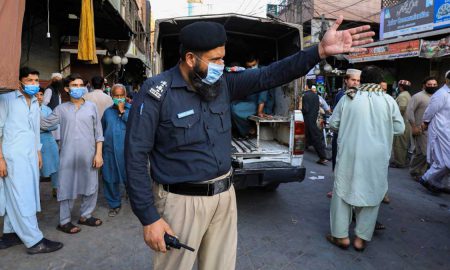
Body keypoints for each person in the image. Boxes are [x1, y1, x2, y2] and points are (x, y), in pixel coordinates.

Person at [125, 18, 374, 269]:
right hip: (180, 204)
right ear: (191, 59)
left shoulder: (223, 85)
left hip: (224, 198)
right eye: (215, 60)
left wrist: (318, 51)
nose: (221, 66)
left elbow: (270, 74)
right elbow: (135, 157)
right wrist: (149, 218)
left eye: (223, 58)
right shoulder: (158, 92)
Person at [327, 66, 404, 251]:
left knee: (342, 192)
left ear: (362, 80)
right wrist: (382, 130)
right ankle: (361, 239)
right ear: (379, 82)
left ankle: (341, 237)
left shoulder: (349, 98)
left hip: (350, 155)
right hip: (376, 158)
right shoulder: (388, 101)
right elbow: (400, 128)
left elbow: (333, 124)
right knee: (372, 193)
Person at [0, 67, 63, 254]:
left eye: (36, 81)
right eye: (29, 80)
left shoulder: (35, 101)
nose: (34, 84)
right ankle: (34, 241)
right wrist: (0, 159)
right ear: (19, 82)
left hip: (30, 156)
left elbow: (35, 130)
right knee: (23, 197)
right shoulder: (6, 100)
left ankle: (11, 234)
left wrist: (38, 152)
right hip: (12, 157)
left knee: (20, 195)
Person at [40, 73, 104, 234]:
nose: (78, 88)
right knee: (66, 187)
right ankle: (64, 221)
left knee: (91, 185)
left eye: (81, 85)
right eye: (74, 86)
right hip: (67, 156)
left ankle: (85, 215)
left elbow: (99, 133)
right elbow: (45, 124)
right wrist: (32, 109)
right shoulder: (61, 109)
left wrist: (99, 154)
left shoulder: (91, 107)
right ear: (67, 89)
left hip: (89, 155)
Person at [101, 84, 130, 217]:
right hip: (109, 151)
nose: (119, 98)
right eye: (116, 96)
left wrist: (122, 111)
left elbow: (136, 127)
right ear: (111, 96)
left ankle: (133, 197)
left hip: (127, 152)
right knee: (109, 178)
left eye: (121, 96)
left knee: (131, 177)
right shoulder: (107, 112)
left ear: (125, 96)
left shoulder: (132, 110)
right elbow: (101, 130)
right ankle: (114, 204)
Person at [419, 71, 450, 193]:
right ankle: (427, 178)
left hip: (447, 131)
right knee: (442, 162)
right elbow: (430, 111)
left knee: (445, 161)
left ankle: (435, 182)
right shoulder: (441, 94)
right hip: (439, 131)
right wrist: (425, 122)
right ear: (447, 80)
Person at [230, 54, 275, 137]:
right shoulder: (246, 72)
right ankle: (240, 130)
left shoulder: (263, 71)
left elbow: (263, 93)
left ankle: (248, 131)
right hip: (251, 102)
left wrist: (260, 111)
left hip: (262, 106)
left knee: (235, 109)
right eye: (249, 67)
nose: (251, 68)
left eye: (253, 65)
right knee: (230, 105)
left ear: (257, 61)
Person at [406, 76, 438, 180]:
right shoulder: (417, 96)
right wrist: (414, 126)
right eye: (430, 84)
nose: (432, 86)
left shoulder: (437, 96)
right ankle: (415, 171)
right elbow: (409, 111)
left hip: (435, 130)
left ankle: (423, 171)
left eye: (434, 85)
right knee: (423, 152)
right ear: (424, 85)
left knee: (430, 152)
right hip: (420, 129)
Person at [331, 69, 361, 170]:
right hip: (340, 134)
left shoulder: (362, 96)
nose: (356, 83)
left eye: (358, 80)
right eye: (353, 80)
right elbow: (335, 119)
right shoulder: (341, 95)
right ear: (346, 80)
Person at [36, 89, 59, 198]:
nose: (39, 97)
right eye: (37, 95)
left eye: (41, 94)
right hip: (34, 141)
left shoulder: (47, 109)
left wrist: (39, 127)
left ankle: (56, 188)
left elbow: (55, 125)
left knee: (56, 165)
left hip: (48, 140)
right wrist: (45, 126)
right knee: (36, 169)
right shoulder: (28, 109)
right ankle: (36, 194)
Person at [302, 84, 328, 165]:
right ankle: (322, 157)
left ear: (306, 86)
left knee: (315, 138)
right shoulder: (316, 96)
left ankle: (323, 157)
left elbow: (305, 109)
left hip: (307, 120)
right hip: (314, 119)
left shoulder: (305, 96)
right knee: (315, 137)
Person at [390, 80, 412, 168]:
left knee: (399, 144)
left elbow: (402, 108)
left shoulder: (403, 96)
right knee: (404, 143)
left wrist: (395, 116)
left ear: (401, 87)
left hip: (402, 123)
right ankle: (403, 160)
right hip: (406, 123)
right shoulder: (408, 95)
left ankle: (399, 162)